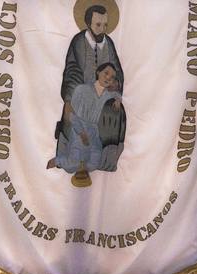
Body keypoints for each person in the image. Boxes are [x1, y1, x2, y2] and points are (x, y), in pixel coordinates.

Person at [55, 4, 125, 174]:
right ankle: (71, 160)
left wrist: (115, 86)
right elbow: (72, 70)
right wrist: (71, 97)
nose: (102, 30)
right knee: (73, 115)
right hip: (82, 94)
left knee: (116, 112)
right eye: (98, 25)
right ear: (88, 24)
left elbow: (117, 71)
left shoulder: (109, 43)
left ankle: (105, 161)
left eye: (105, 25)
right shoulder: (79, 41)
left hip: (104, 95)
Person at [48, 62, 123, 178]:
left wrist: (118, 99)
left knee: (94, 163)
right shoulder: (81, 89)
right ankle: (57, 161)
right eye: (106, 73)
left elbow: (117, 95)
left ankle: (80, 165)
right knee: (73, 164)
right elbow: (72, 114)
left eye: (112, 77)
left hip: (94, 131)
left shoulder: (107, 95)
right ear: (98, 72)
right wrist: (81, 133)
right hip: (79, 129)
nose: (108, 77)